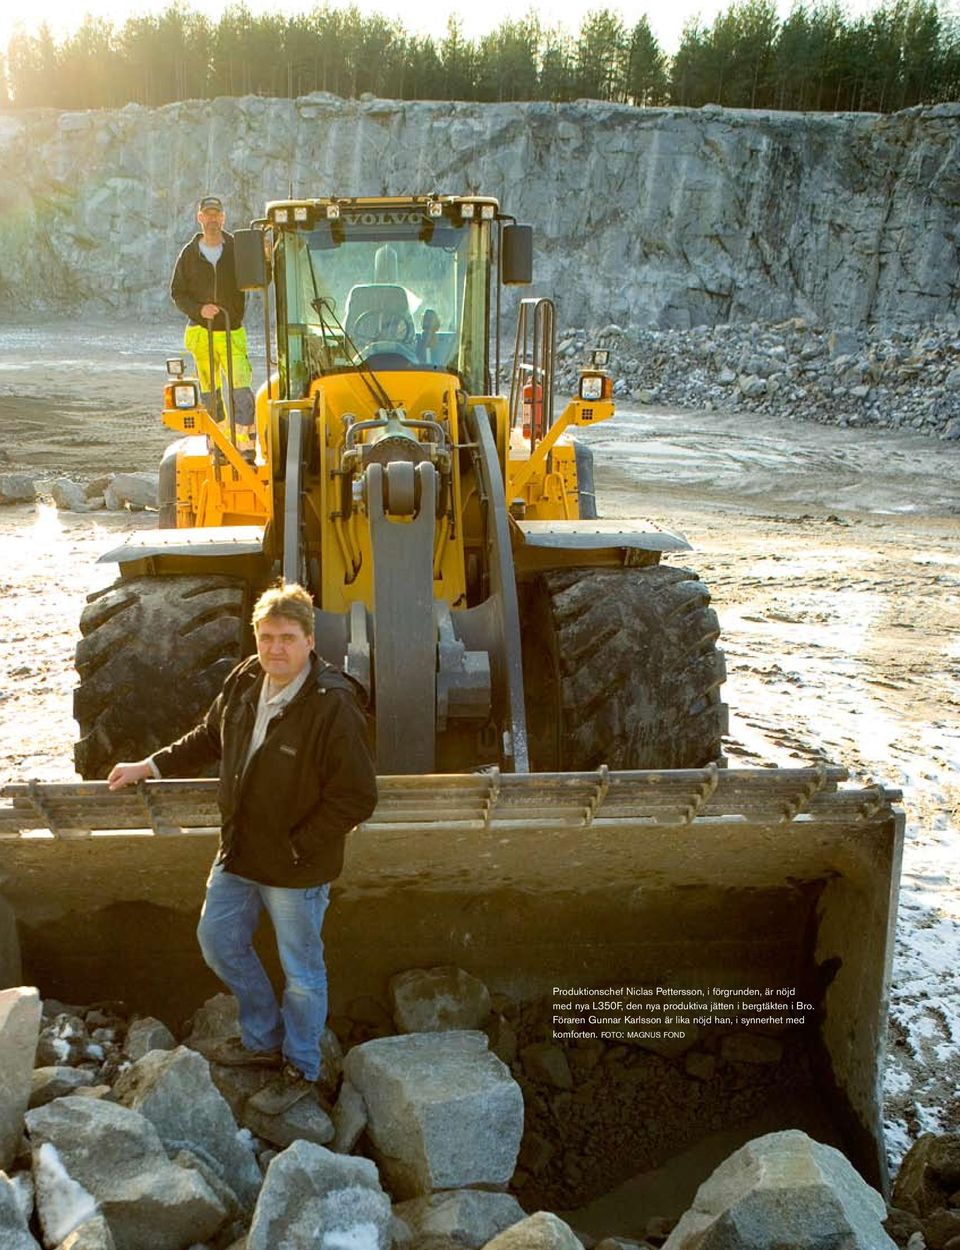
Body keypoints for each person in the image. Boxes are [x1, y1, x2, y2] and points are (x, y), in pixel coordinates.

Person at [108, 582, 378, 1114]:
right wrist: (151, 765)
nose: (274, 648)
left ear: (308, 640)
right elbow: (209, 737)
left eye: (286, 638)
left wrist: (298, 846)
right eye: (266, 636)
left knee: (301, 971)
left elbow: (357, 797)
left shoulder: (333, 705)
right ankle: (263, 1038)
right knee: (218, 941)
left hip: (296, 867)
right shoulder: (245, 678)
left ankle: (299, 1065)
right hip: (239, 851)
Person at [171, 195, 257, 461]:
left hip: (232, 333)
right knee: (210, 396)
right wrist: (199, 310)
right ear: (200, 218)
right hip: (202, 334)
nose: (212, 219)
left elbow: (258, 276)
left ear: (223, 217)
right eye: (207, 215)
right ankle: (217, 446)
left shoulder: (236, 248)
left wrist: (264, 255)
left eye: (216, 215)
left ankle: (245, 449)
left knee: (241, 391)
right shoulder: (189, 254)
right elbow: (177, 292)